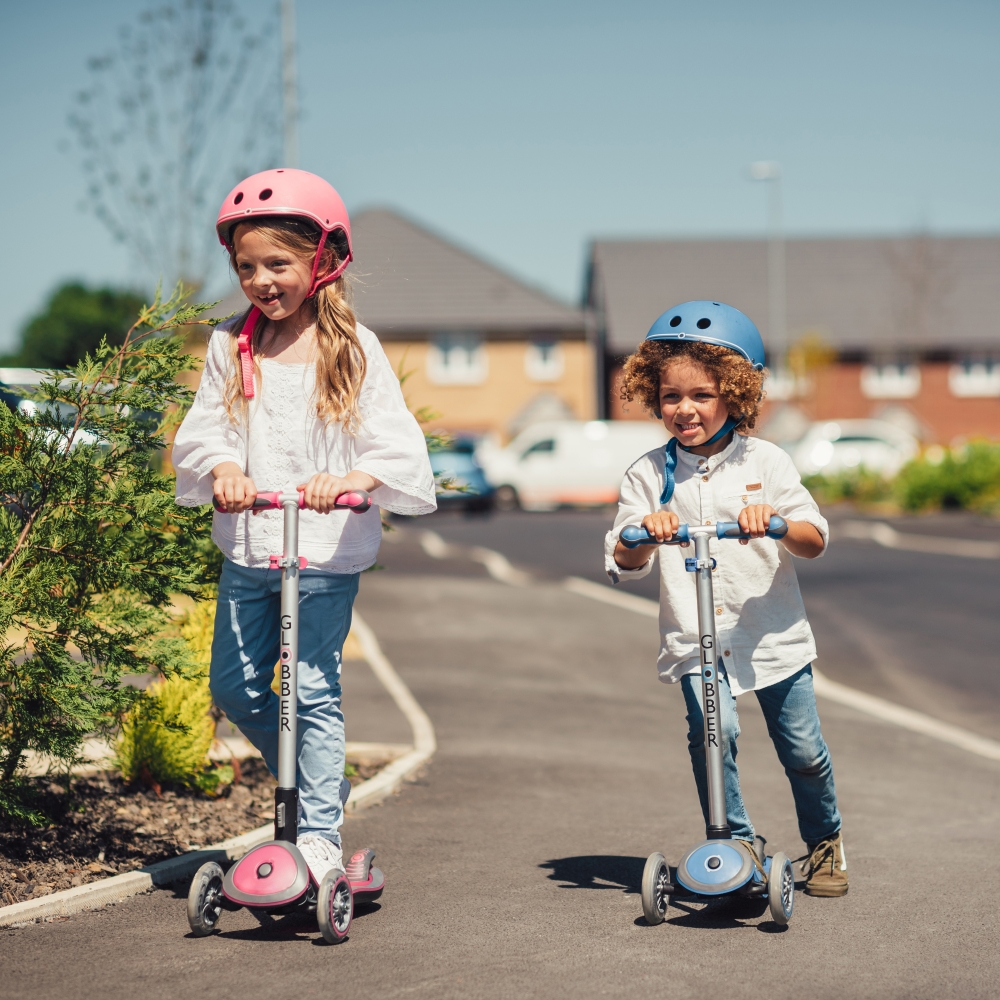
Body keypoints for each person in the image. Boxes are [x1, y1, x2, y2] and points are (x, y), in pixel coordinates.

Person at [173, 169, 436, 884]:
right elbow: (208, 431)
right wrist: (225, 466)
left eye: (278, 264)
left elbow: (395, 442)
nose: (261, 280)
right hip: (253, 542)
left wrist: (353, 479)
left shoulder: (353, 347)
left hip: (322, 550)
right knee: (236, 688)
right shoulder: (234, 345)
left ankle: (319, 830)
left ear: (323, 262)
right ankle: (322, 777)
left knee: (313, 688)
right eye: (246, 266)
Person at [605, 301, 847, 897]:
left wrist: (777, 523)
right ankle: (736, 843)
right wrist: (645, 533)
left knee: (803, 750)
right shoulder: (648, 474)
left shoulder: (768, 462)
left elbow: (814, 541)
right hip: (696, 638)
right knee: (716, 735)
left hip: (773, 636)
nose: (683, 409)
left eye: (701, 395)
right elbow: (623, 559)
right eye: (669, 396)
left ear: (734, 395)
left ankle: (824, 843)